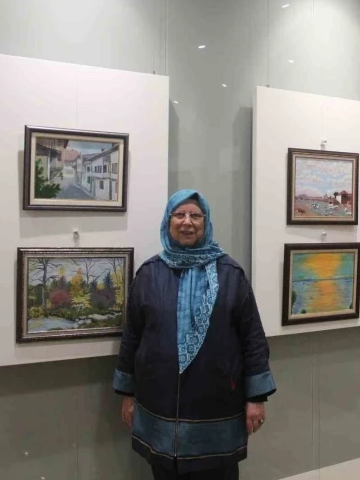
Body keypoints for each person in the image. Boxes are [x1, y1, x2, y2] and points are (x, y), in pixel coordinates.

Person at [113, 189, 276, 480]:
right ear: (168, 221)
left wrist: (256, 398)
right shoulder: (149, 274)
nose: (187, 222)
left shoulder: (230, 274)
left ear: (206, 222)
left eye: (195, 215)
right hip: (157, 404)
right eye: (179, 214)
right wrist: (127, 394)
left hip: (217, 406)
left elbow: (252, 339)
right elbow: (132, 338)